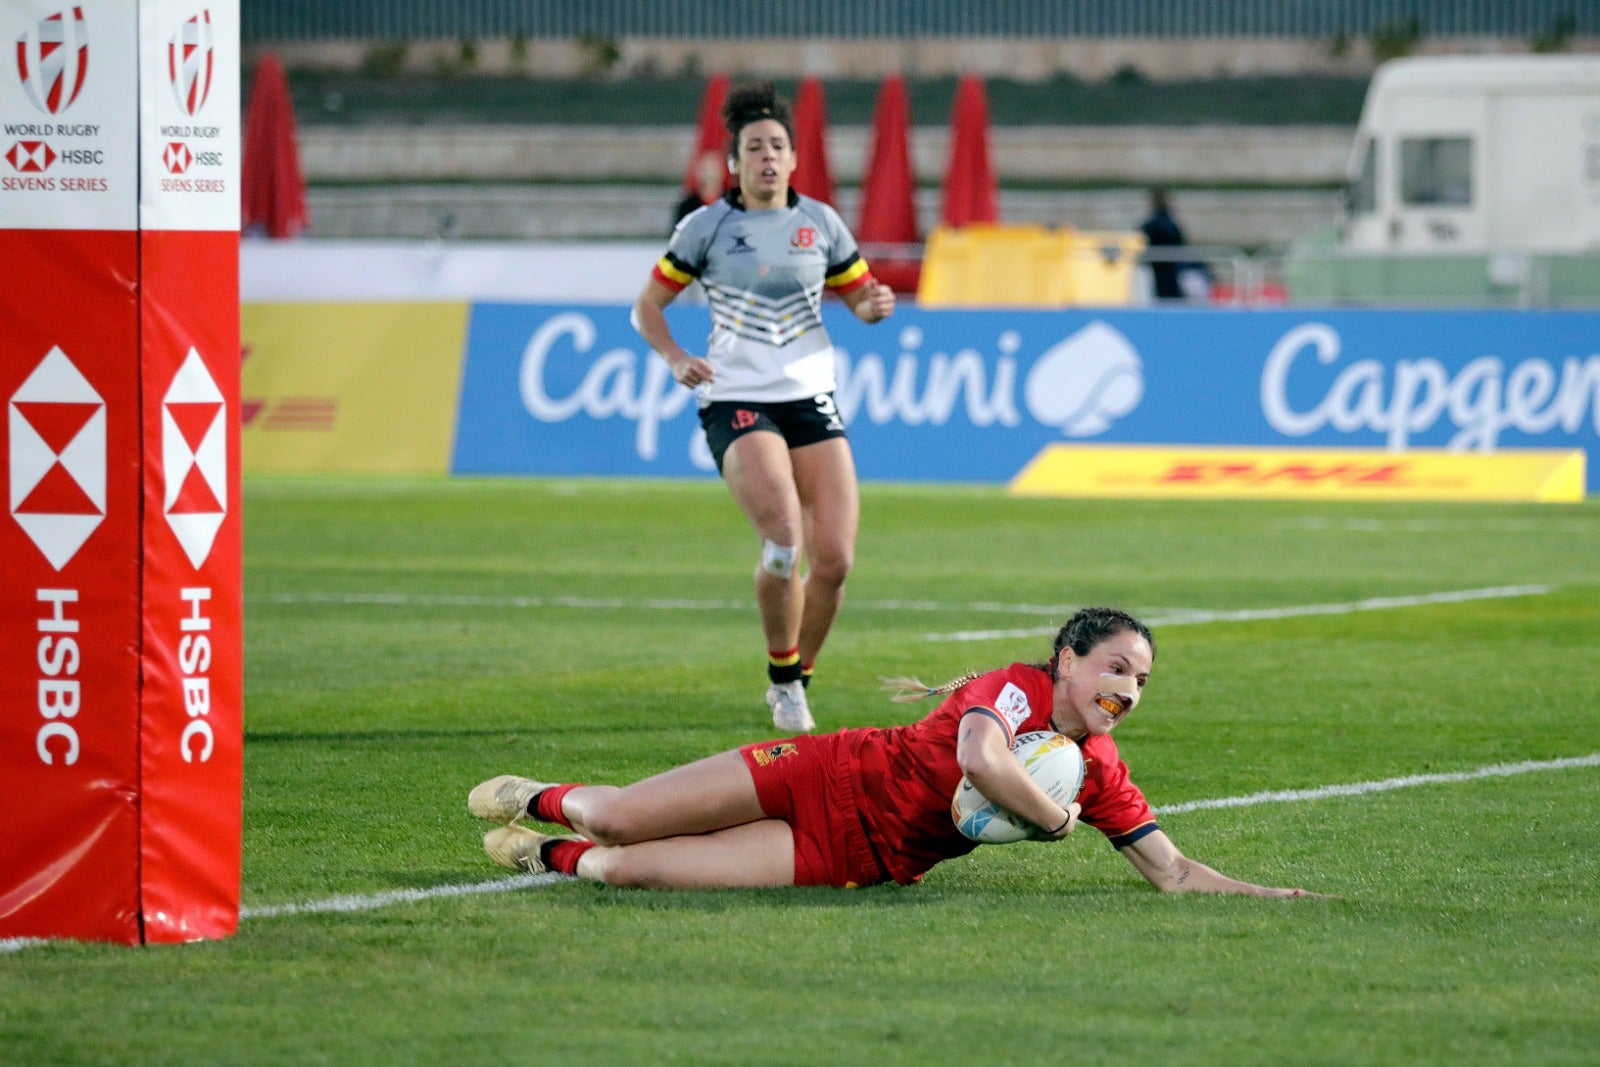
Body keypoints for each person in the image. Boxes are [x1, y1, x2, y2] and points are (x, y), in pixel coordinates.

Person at [466, 607, 1325, 898]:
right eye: (1117, 668)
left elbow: (1171, 871)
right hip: (823, 770)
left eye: (1141, 680)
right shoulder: (1016, 687)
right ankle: (539, 796)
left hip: (854, 851)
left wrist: (1267, 892)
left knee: (626, 871)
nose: (1129, 690)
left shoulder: (1099, 768)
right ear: (1069, 660)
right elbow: (985, 760)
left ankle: (545, 852)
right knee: (618, 812)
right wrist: (1055, 819)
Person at [633, 82, 896, 733]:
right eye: (755, 148)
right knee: (785, 535)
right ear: (735, 164)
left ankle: (794, 678)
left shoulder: (822, 224)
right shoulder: (707, 226)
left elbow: (858, 297)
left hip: (810, 397)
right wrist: (673, 357)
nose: (768, 157)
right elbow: (647, 307)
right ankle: (785, 684)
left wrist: (873, 307)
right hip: (737, 397)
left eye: (777, 145)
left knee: (834, 558)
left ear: (794, 158)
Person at [1138, 187, 1196, 302]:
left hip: (1161, 268)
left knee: (1161, 292)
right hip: (1170, 268)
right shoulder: (1171, 225)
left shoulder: (1153, 225)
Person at [673, 150, 725, 230]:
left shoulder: (733, 204)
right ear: (698, 173)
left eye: (714, 168)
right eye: (706, 168)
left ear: (722, 171)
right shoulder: (687, 206)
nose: (710, 173)